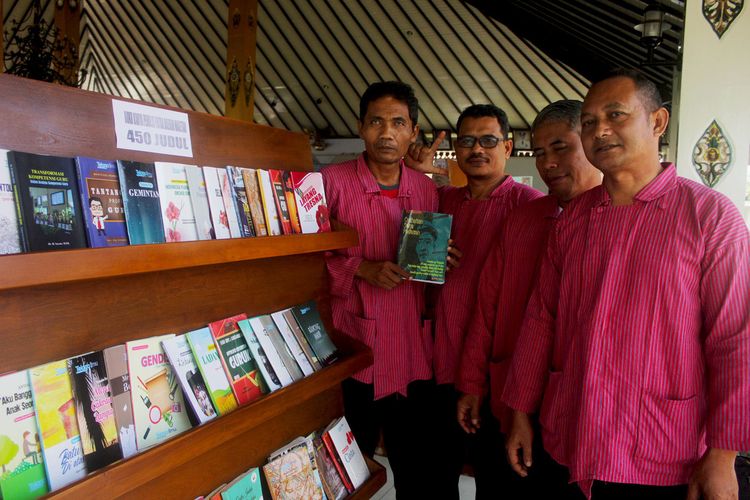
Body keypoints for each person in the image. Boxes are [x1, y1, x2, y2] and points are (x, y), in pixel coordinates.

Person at [503, 69, 750, 500]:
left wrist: (723, 454)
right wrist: (521, 410)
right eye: (589, 121)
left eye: (615, 115)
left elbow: (735, 339)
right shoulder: (573, 221)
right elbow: (542, 317)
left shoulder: (709, 217)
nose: (599, 130)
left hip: (661, 449)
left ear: (657, 122)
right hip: (570, 433)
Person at [455, 100, 601, 499]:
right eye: (539, 153)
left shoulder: (614, 221)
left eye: (561, 148)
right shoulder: (523, 219)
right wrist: (471, 383)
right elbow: (487, 309)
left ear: (589, 142)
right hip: (509, 396)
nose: (548, 163)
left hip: (583, 405)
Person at [408, 103, 543, 498]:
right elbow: (414, 267)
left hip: (496, 374)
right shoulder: (441, 201)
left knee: (497, 480)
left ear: (509, 146)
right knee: (432, 476)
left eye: (488, 140)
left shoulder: (531, 207)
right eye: (467, 141)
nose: (477, 149)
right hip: (438, 363)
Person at [321, 81, 439, 498]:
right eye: (376, 122)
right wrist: (360, 269)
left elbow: (428, 260)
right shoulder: (331, 184)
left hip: (410, 348)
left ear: (413, 131)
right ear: (360, 127)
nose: (386, 133)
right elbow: (306, 263)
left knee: (415, 466)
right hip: (356, 348)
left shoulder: (425, 188)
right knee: (348, 466)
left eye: (398, 123)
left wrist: (442, 256)